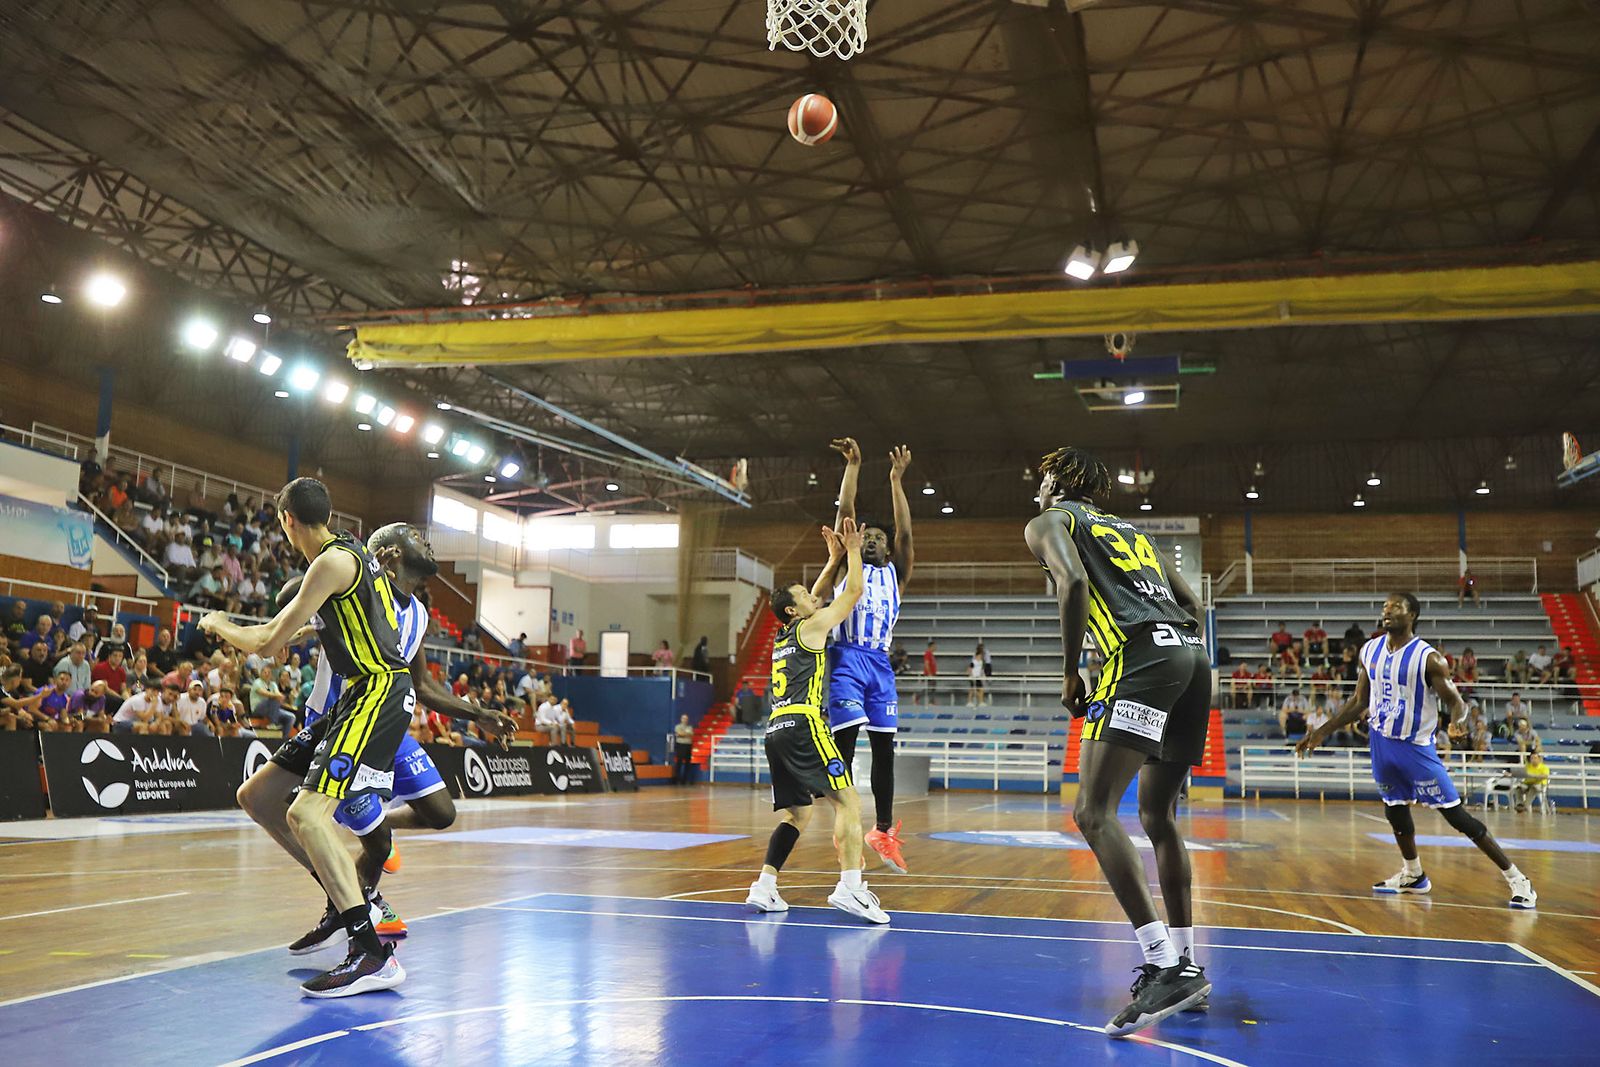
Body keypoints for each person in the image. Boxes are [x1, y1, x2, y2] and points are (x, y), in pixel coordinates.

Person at [236, 523, 516, 953]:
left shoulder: (418, 613)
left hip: (386, 721)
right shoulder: (351, 584)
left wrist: (479, 714)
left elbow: (422, 684)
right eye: (415, 537)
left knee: (440, 812)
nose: (427, 543)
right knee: (376, 844)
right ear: (390, 552)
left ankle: (363, 860)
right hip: (341, 723)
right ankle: (355, 913)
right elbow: (286, 594)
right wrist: (355, 569)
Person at [199, 478, 414, 998]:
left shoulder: (330, 563)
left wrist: (219, 622)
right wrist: (297, 628)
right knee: (258, 796)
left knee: (307, 815)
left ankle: (370, 952)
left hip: (376, 692)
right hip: (356, 694)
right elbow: (333, 622)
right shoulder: (348, 553)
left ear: (285, 520)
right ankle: (345, 899)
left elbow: (264, 643)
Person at [1024, 446, 1211, 1036]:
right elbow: (1193, 604)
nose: (1037, 488)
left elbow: (1074, 580)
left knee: (1093, 812)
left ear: (1057, 482)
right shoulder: (1133, 531)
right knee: (1158, 816)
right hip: (1192, 657)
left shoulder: (1049, 520)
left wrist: (1070, 670)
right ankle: (1187, 963)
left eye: (1042, 478)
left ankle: (1163, 964)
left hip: (1141, 659)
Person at [1296, 592, 1535, 910]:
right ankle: (1413, 874)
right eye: (1385, 607)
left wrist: (1457, 722)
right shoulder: (1370, 650)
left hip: (1415, 747)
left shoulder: (1429, 658)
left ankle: (1517, 879)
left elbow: (1456, 702)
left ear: (1412, 615)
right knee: (1394, 808)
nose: (1387, 611)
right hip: (1381, 741)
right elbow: (1358, 701)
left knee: (1456, 816)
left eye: (1395, 607)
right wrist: (1321, 732)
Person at [745, 517, 888, 925]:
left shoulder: (784, 635)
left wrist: (832, 559)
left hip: (776, 730)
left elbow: (815, 595)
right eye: (806, 596)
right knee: (848, 801)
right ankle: (850, 887)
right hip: (805, 724)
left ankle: (765, 885)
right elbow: (853, 592)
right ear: (794, 610)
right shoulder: (812, 627)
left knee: (798, 813)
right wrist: (854, 551)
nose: (815, 596)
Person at [805, 438, 915, 873]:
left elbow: (906, 532)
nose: (870, 541)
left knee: (885, 750)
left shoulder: (896, 574)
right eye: (865, 536)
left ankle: (882, 830)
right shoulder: (847, 566)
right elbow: (845, 513)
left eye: (877, 538)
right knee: (846, 742)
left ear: (888, 549)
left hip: (880, 665)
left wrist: (895, 480)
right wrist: (853, 467)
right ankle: (844, 819)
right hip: (847, 660)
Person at [672, 713, 695, 783]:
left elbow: (691, 734)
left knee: (688, 762)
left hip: (688, 745)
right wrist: (686, 734)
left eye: (686, 719)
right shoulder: (677, 726)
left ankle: (684, 779)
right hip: (680, 745)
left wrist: (683, 734)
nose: (685, 720)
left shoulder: (690, 727)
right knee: (679, 762)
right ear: (681, 719)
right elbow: (679, 733)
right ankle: (677, 778)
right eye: (684, 718)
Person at [920, 639, 938, 705]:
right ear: (931, 646)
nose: (935, 647)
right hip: (929, 674)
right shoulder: (927, 654)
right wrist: (929, 674)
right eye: (934, 646)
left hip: (933, 674)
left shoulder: (931, 654)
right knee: (929, 688)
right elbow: (926, 664)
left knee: (932, 688)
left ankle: (931, 701)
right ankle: (917, 696)